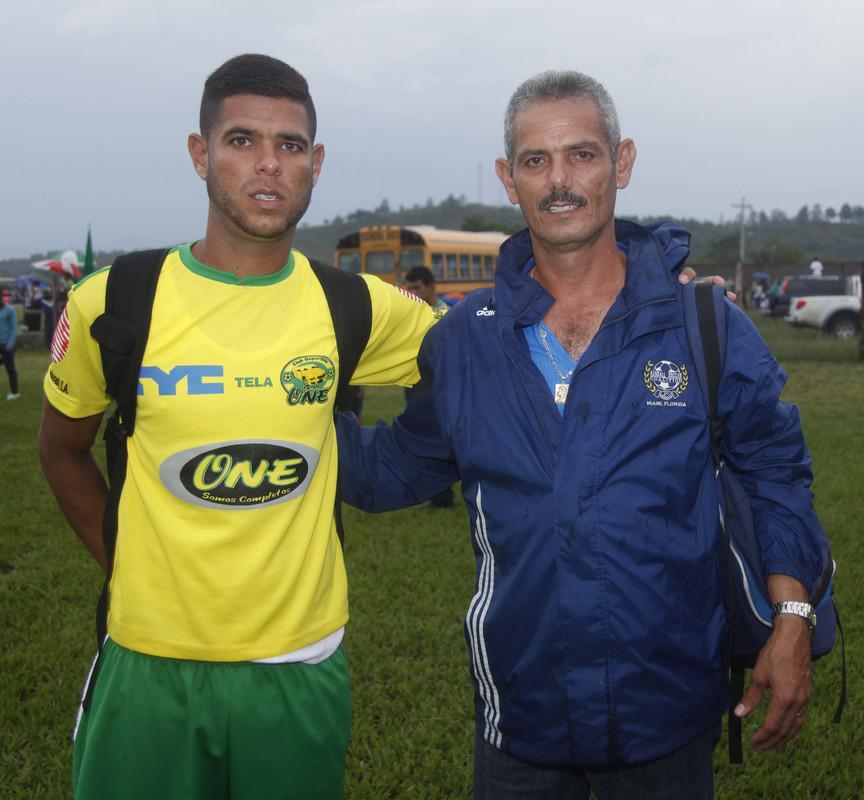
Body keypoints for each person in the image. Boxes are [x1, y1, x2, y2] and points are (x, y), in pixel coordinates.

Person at [336, 70, 828, 799]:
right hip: (522, 713)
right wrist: (275, 411)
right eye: (536, 160)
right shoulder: (466, 342)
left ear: (621, 163)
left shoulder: (703, 325)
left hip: (669, 707)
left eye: (582, 155)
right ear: (508, 178)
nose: (559, 180)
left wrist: (792, 616)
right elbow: (393, 468)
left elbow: (775, 473)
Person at [37, 54, 438, 800]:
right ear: (201, 154)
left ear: (316, 163)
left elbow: (486, 357)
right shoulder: (114, 300)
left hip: (298, 663)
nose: (268, 164)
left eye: (290, 145)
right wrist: (125, 567)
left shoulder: (357, 305)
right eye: (242, 140)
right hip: (146, 662)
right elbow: (61, 451)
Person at [401, 266, 454, 507]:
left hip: (437, 384)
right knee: (421, 435)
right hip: (416, 382)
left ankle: (440, 494)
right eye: (409, 288)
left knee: (438, 437)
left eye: (417, 288)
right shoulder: (412, 313)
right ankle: (434, 492)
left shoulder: (446, 314)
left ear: (431, 287)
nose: (412, 293)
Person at [0, 293, 20, 400]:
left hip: (7, 345)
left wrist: (10, 345)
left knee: (10, 369)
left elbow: (14, 329)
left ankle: (15, 392)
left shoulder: (10, 310)